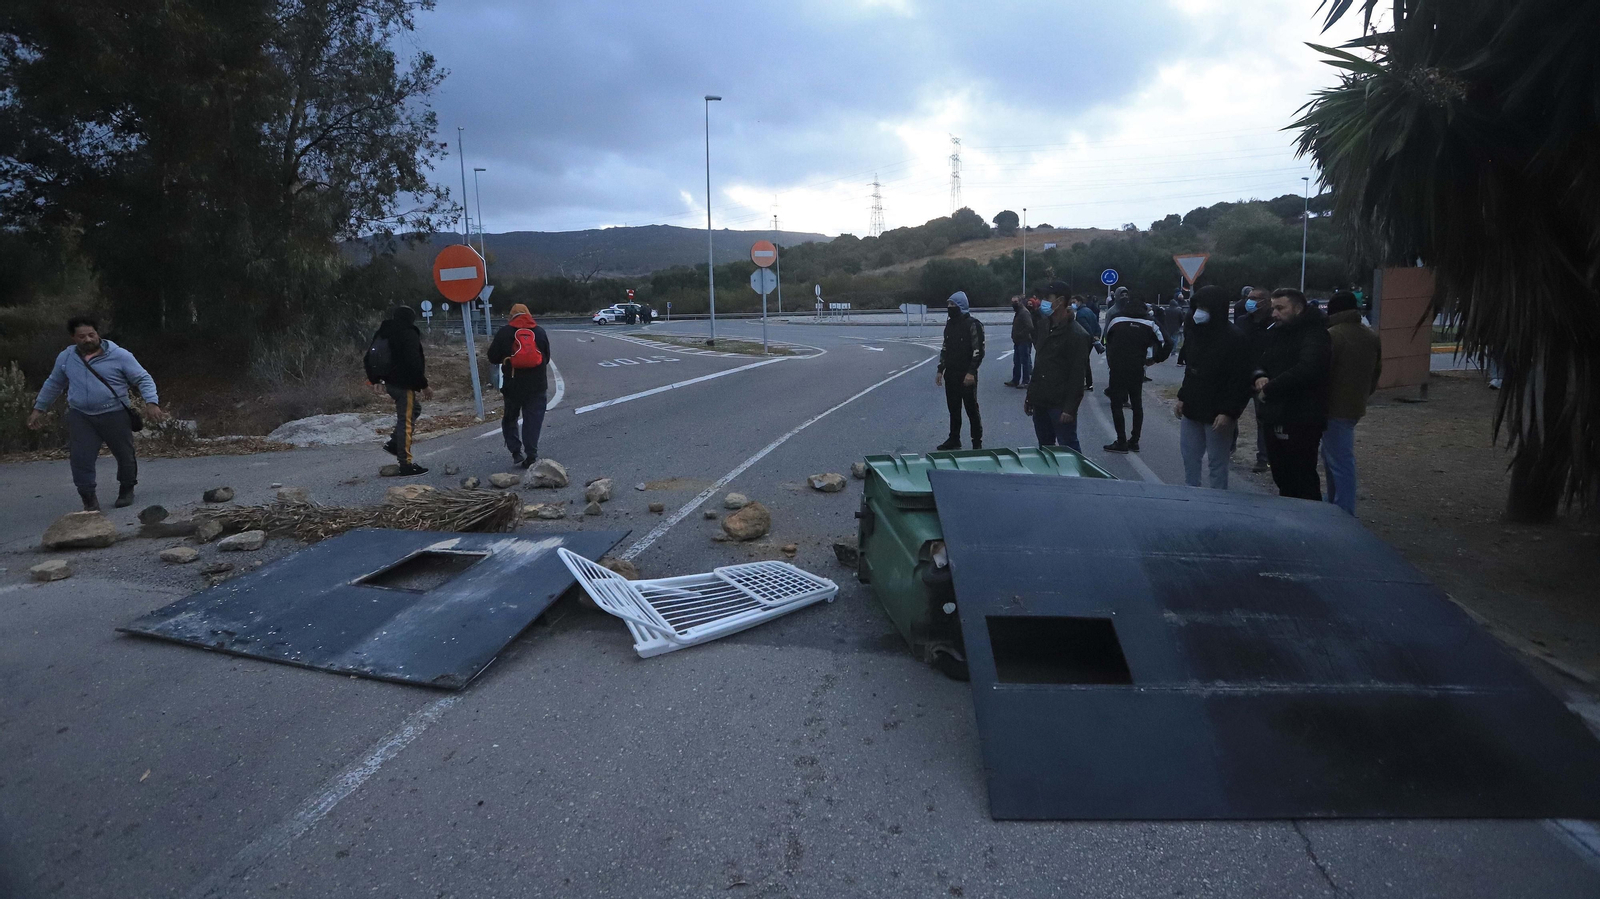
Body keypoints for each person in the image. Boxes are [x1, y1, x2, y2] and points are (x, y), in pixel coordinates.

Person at [27, 316, 166, 511]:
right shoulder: (66, 358)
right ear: (73, 338)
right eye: (82, 336)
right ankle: (89, 498)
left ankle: (126, 489)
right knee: (80, 458)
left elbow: (143, 378)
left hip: (114, 413)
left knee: (124, 455)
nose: (88, 339)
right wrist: (38, 409)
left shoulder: (119, 355)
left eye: (91, 334)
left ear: (98, 334)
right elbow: (54, 384)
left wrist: (151, 402)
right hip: (81, 415)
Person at [1253, 288, 1331, 501]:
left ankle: (1310, 524)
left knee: (1302, 477)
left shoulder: (1315, 334)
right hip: (1274, 414)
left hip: (1301, 417)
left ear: (1297, 308)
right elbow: (1260, 360)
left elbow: (1308, 369)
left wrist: (1271, 388)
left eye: (1280, 308)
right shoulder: (1275, 333)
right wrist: (1259, 375)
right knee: (1281, 475)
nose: (1274, 313)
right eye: (1273, 308)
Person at [1174, 286, 1253, 489]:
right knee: (1189, 459)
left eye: (1205, 308)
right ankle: (1192, 498)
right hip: (1192, 409)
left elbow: (1240, 380)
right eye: (1197, 307)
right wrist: (1182, 397)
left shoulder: (1235, 338)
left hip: (1218, 413)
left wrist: (1229, 412)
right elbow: (1190, 370)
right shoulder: (1196, 334)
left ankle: (1218, 505)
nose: (1199, 312)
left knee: (1217, 465)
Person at [1322, 290, 1382, 514]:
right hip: (1355, 404)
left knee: (1339, 459)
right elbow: (1376, 372)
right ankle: (1334, 501)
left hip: (1334, 405)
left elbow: (1324, 372)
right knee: (1333, 455)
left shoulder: (1333, 335)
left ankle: (1344, 509)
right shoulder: (1370, 335)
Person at [1024, 281, 1090, 451]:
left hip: (1059, 405)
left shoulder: (1077, 334)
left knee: (1069, 449)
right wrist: (1031, 396)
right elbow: (1040, 363)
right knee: (1045, 450)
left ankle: (1077, 478)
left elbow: (1077, 375)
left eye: (1047, 298)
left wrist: (1070, 409)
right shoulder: (1044, 325)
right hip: (1041, 402)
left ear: (1060, 301)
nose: (1043, 301)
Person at [486, 303, 553, 468]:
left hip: (513, 385)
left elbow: (492, 357)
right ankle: (531, 455)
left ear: (511, 316)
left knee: (510, 418)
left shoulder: (504, 332)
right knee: (533, 421)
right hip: (537, 385)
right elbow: (547, 358)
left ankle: (516, 451)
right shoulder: (539, 332)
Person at [368, 306, 431, 476]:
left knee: (414, 409)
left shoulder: (383, 331)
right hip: (403, 384)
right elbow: (413, 362)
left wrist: (376, 379)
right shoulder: (408, 333)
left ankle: (394, 444)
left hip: (390, 383)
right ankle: (406, 464)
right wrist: (424, 385)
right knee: (406, 421)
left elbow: (369, 357)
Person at [1101, 293, 1167, 453]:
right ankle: (1134, 440)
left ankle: (1121, 441)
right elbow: (1167, 342)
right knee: (1137, 404)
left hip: (1117, 367)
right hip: (1137, 367)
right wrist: (1155, 359)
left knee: (1116, 404)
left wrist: (1112, 357)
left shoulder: (1116, 319)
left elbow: (1106, 339)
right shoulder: (1150, 323)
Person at [934, 290, 985, 451]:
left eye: (953, 304)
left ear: (961, 305)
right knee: (953, 408)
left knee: (971, 409)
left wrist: (971, 372)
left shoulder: (973, 325)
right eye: (948, 304)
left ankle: (977, 442)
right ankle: (954, 438)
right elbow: (945, 348)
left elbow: (979, 350)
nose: (949, 307)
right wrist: (940, 369)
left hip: (967, 375)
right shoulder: (950, 324)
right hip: (952, 374)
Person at [1236, 287, 1275, 472]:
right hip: (1242, 375)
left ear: (1266, 302)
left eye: (1254, 298)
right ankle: (1228, 447)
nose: (1248, 301)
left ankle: (1264, 458)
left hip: (1264, 379)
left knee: (1263, 419)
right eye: (1248, 298)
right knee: (1231, 412)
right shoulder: (1242, 321)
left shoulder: (1274, 324)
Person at [1004, 296, 1034, 388]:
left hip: (1023, 341)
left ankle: (1025, 381)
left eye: (1016, 302)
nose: (1014, 304)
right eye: (1012, 302)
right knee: (1016, 361)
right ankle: (1015, 380)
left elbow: (1030, 326)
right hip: (1018, 341)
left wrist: (1020, 335)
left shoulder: (1024, 312)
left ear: (1020, 302)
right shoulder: (1018, 312)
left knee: (1024, 362)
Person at [1074, 295, 1102, 390]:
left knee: (1082, 361)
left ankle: (1086, 383)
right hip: (1091, 340)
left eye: (1074, 302)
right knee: (1085, 361)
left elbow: (1085, 329)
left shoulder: (1080, 314)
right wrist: (1097, 336)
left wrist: (1092, 337)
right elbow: (1096, 325)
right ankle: (1088, 383)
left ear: (1079, 301)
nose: (1073, 304)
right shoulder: (1089, 311)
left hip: (1085, 340)